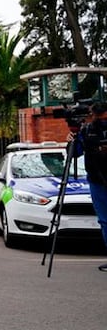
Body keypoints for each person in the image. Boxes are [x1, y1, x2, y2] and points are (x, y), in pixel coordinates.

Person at [69, 101, 107, 272]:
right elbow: (75, 153)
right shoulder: (87, 130)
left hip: (97, 179)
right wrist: (73, 137)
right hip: (96, 180)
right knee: (105, 221)